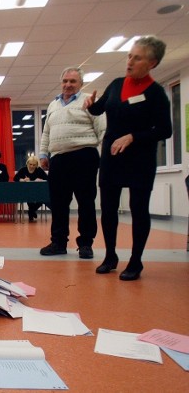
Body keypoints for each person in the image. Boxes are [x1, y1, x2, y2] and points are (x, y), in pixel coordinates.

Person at [84, 36, 172, 281]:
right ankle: (110, 256)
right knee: (109, 208)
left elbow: (165, 130)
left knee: (138, 209)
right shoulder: (116, 84)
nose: (130, 61)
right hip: (112, 156)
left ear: (152, 63)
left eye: (138, 57)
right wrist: (90, 105)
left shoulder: (156, 94)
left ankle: (135, 261)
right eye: (130, 56)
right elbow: (100, 108)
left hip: (140, 159)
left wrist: (133, 136)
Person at [39, 67, 106, 259]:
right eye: (65, 81)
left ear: (81, 84)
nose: (68, 85)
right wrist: (44, 154)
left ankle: (86, 244)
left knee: (86, 202)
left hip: (84, 156)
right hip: (58, 159)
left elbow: (102, 129)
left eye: (73, 81)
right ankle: (58, 242)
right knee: (58, 203)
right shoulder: (53, 105)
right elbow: (46, 132)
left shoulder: (89, 101)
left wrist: (105, 156)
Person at [13, 155, 48, 222]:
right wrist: (22, 180)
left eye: (34, 165)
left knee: (42, 199)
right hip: (25, 192)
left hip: (37, 192)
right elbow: (15, 178)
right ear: (27, 163)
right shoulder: (23, 170)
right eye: (30, 164)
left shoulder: (39, 170)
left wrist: (40, 179)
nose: (32, 166)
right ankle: (32, 212)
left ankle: (31, 211)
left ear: (37, 165)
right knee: (30, 198)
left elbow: (47, 178)